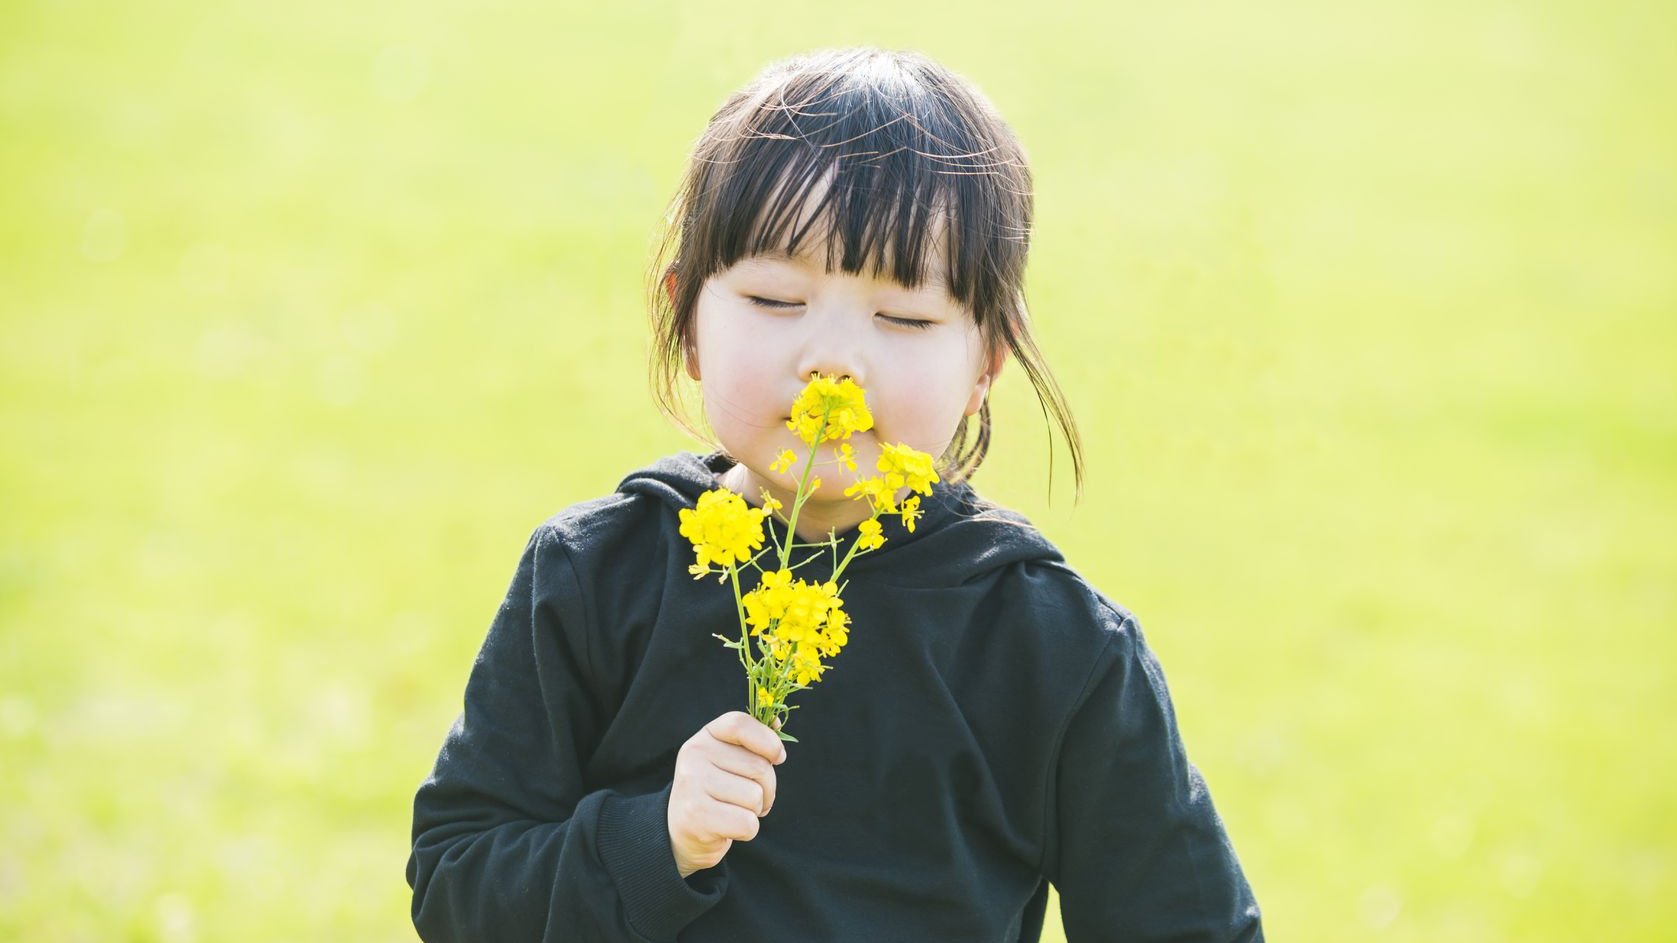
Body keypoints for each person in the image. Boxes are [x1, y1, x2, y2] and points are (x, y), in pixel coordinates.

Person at [407, 46, 1263, 942]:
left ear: (986, 362)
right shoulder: (589, 578)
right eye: (777, 299)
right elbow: (457, 884)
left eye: (903, 318)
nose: (832, 361)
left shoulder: (1050, 645)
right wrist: (652, 839)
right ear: (686, 321)